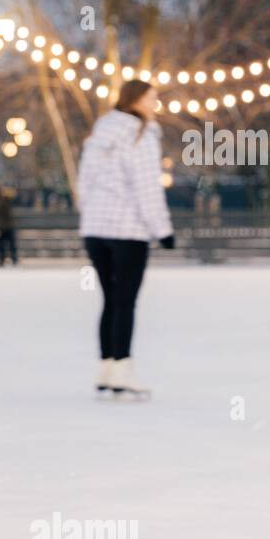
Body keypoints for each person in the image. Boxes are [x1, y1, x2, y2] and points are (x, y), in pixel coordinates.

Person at [77, 79, 174, 397]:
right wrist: (162, 230)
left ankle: (106, 367)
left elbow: (85, 181)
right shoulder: (141, 133)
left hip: (96, 228)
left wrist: (88, 217)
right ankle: (122, 368)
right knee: (125, 301)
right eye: (151, 98)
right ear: (135, 101)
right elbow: (146, 185)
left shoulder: (100, 132)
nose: (154, 105)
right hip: (128, 229)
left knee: (109, 299)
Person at [0, 183, 18, 266]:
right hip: (4, 225)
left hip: (6, 225)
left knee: (8, 243)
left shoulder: (1, 198)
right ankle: (6, 259)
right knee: (5, 243)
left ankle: (10, 258)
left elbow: (2, 209)